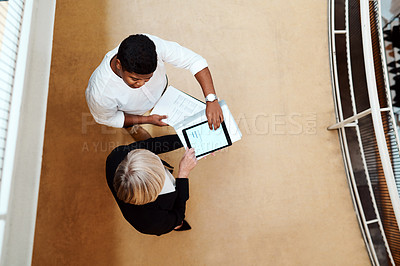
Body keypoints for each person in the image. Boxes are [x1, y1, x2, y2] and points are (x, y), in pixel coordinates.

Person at [85, 33, 224, 139]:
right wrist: (147, 120)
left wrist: (211, 99)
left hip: (162, 92)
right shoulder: (100, 93)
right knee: (139, 135)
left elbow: (194, 61)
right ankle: (135, 129)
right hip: (132, 112)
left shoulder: (151, 46)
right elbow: (108, 118)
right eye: (134, 79)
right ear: (119, 64)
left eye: (148, 79)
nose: (141, 84)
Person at [106, 134, 197, 236]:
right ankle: (177, 226)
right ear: (155, 191)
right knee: (176, 220)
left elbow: (153, 145)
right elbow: (179, 213)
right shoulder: (153, 223)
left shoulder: (117, 156)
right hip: (163, 218)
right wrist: (183, 174)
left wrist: (187, 138)